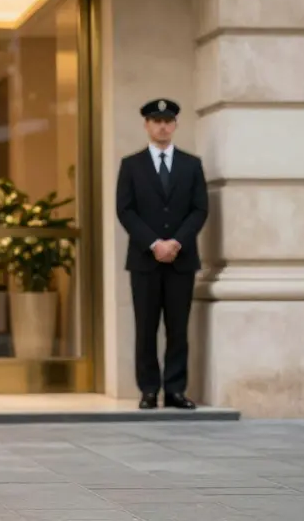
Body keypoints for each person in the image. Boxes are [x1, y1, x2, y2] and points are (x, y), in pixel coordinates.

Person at [115, 98, 207, 411]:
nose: (163, 126)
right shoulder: (131, 165)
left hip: (181, 261)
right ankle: (149, 390)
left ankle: (176, 390)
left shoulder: (191, 165)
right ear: (146, 125)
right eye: (156, 121)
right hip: (145, 261)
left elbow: (199, 209)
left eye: (168, 120)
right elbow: (125, 210)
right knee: (146, 328)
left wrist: (176, 243)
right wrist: (154, 244)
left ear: (176, 125)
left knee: (178, 328)